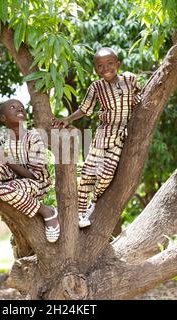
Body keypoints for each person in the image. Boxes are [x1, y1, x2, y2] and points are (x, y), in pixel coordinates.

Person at [52, 47, 141, 228]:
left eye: (110, 64)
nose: (105, 68)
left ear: (118, 64)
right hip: (103, 133)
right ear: (95, 69)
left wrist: (135, 99)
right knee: (88, 173)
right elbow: (85, 109)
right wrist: (67, 119)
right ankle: (80, 213)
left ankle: (94, 201)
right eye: (100, 66)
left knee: (107, 174)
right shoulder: (96, 87)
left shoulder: (129, 79)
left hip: (121, 135)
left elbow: (140, 93)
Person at [0, 99, 59, 250]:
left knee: (5, 190)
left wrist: (7, 160)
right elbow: (0, 169)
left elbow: (33, 175)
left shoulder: (34, 138)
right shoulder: (2, 141)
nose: (19, 109)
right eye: (13, 107)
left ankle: (47, 211)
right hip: (14, 183)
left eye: (22, 107)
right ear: (3, 118)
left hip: (36, 184)